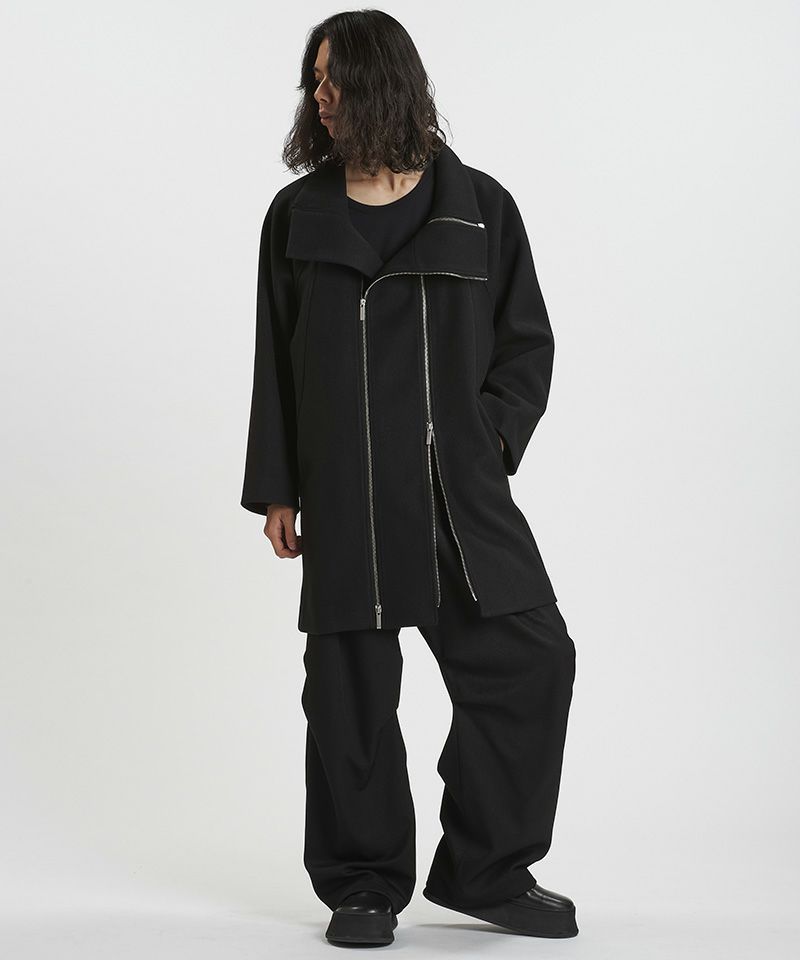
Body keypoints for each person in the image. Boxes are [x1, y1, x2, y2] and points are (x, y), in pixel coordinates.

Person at [241, 10, 578, 947]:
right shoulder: (297, 215)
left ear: (383, 81)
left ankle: (487, 870)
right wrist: (279, 486)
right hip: (346, 490)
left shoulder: (481, 206)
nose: (319, 96)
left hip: (456, 494)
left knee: (533, 662)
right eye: (313, 80)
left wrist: (486, 441)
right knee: (348, 697)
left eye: (334, 78)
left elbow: (526, 346)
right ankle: (361, 886)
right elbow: (275, 358)